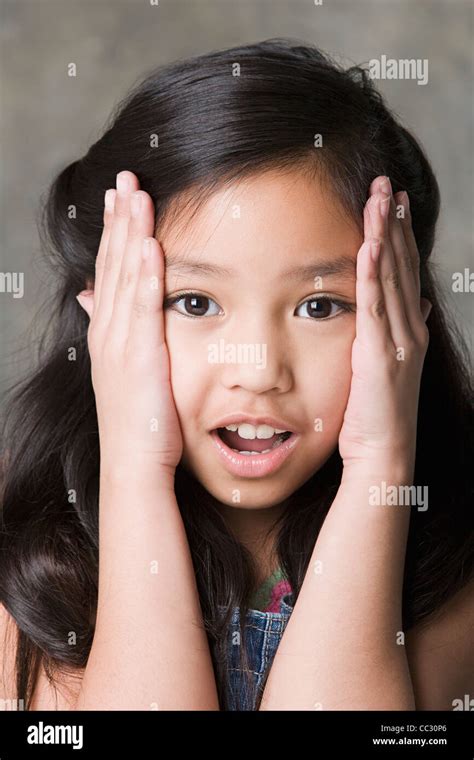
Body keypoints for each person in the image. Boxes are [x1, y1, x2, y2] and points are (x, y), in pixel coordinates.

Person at [1, 39, 472, 711]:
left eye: (319, 306)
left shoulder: (454, 559)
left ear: (401, 325)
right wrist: (134, 466)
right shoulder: (23, 542)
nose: (257, 371)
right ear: (107, 316)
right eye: (194, 303)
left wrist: (379, 465)